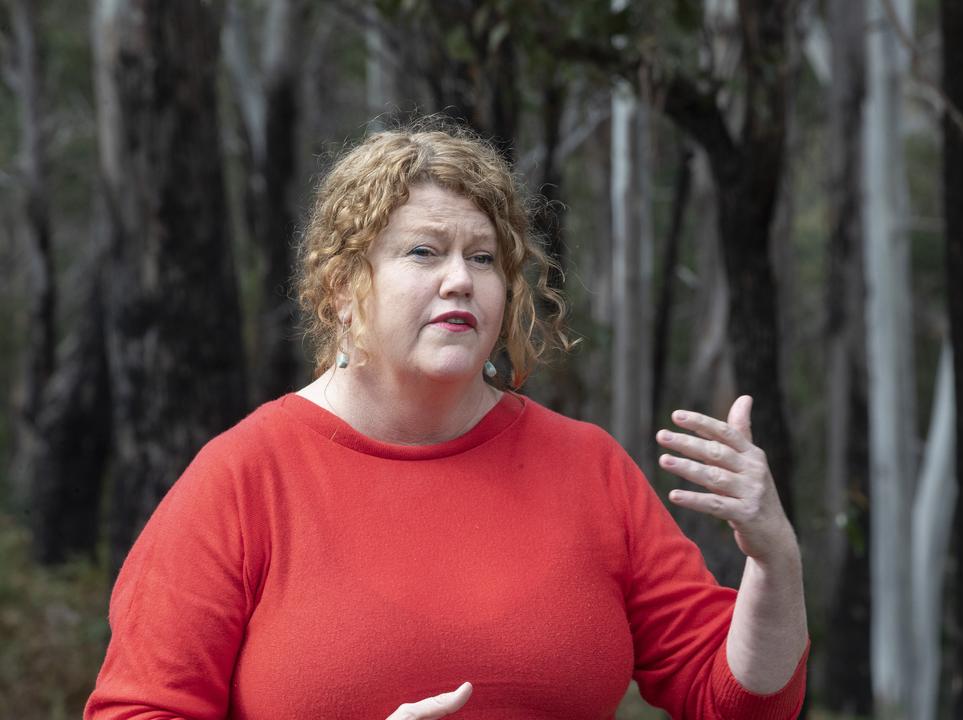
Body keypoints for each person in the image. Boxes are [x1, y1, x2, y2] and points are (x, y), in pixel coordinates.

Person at [85, 124, 808, 719]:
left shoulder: (587, 468)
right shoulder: (244, 477)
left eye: (484, 258)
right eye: (424, 252)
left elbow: (733, 701)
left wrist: (774, 560)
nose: (461, 278)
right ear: (343, 288)